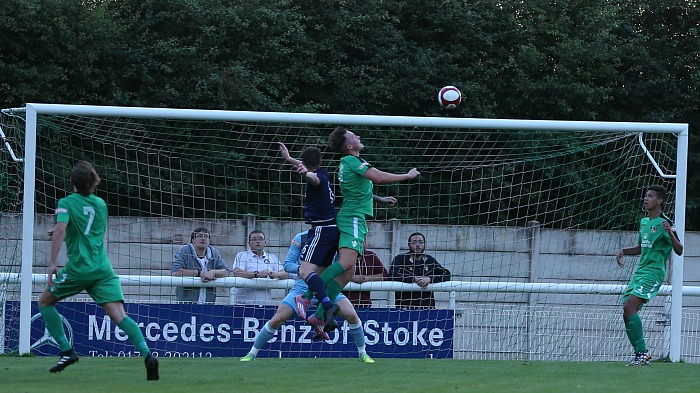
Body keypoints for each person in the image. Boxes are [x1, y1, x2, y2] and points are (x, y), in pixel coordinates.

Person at [36, 161, 159, 380]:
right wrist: (58, 230)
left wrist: (52, 262)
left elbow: (63, 229)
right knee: (120, 316)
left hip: (79, 268)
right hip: (102, 268)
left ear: (72, 181)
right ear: (94, 182)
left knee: (44, 302)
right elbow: (86, 229)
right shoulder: (101, 204)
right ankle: (148, 356)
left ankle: (67, 351)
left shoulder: (65, 202)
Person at [306, 126, 420, 330]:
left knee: (347, 274)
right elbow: (378, 177)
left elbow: (355, 191)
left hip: (354, 216)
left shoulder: (347, 163)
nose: (358, 136)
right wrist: (407, 176)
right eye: (353, 136)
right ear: (350, 146)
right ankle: (306, 296)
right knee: (346, 263)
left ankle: (319, 315)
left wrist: (379, 199)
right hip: (353, 218)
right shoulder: (353, 161)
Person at [239, 231, 375, 363]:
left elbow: (344, 263)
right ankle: (251, 353)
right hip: (302, 288)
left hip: (328, 288)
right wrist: (305, 270)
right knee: (277, 319)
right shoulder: (301, 238)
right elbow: (287, 264)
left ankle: (363, 354)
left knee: (351, 315)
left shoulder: (337, 237)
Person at [616, 185, 683, 366]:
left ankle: (643, 353)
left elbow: (679, 250)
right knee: (627, 311)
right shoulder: (644, 222)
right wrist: (624, 250)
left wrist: (670, 233)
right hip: (640, 272)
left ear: (659, 200)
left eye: (650, 196)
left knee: (629, 307)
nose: (646, 199)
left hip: (653, 273)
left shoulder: (665, 223)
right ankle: (639, 353)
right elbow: (640, 248)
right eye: (646, 196)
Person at [277, 142, 340, 335]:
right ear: (320, 160)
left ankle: (327, 306)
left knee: (305, 271)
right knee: (318, 275)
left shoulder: (317, 176)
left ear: (304, 163)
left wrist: (305, 174)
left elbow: (313, 179)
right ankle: (322, 316)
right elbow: (313, 173)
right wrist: (289, 159)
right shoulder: (325, 172)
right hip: (332, 230)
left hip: (321, 230)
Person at [389, 232, 451, 309]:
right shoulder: (400, 259)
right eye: (414, 242)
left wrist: (430, 279)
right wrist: (414, 279)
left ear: (424, 244)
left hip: (428, 309)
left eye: (421, 242)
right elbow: (392, 275)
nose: (418, 245)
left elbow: (446, 274)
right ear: (409, 245)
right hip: (404, 308)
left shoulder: (429, 260)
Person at [171, 227, 230, 304]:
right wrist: (199, 273)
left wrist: (213, 272)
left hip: (208, 304)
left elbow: (226, 272)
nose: (203, 238)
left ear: (209, 240)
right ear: (193, 240)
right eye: (199, 236)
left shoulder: (214, 253)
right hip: (186, 304)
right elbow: (175, 272)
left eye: (206, 236)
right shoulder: (184, 251)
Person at [232, 230, 289, 305]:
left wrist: (275, 274)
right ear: (249, 243)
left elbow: (285, 274)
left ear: (265, 243)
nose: (258, 241)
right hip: (243, 304)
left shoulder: (272, 258)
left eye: (260, 239)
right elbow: (237, 273)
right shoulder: (242, 255)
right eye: (254, 239)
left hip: (266, 305)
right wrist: (257, 274)